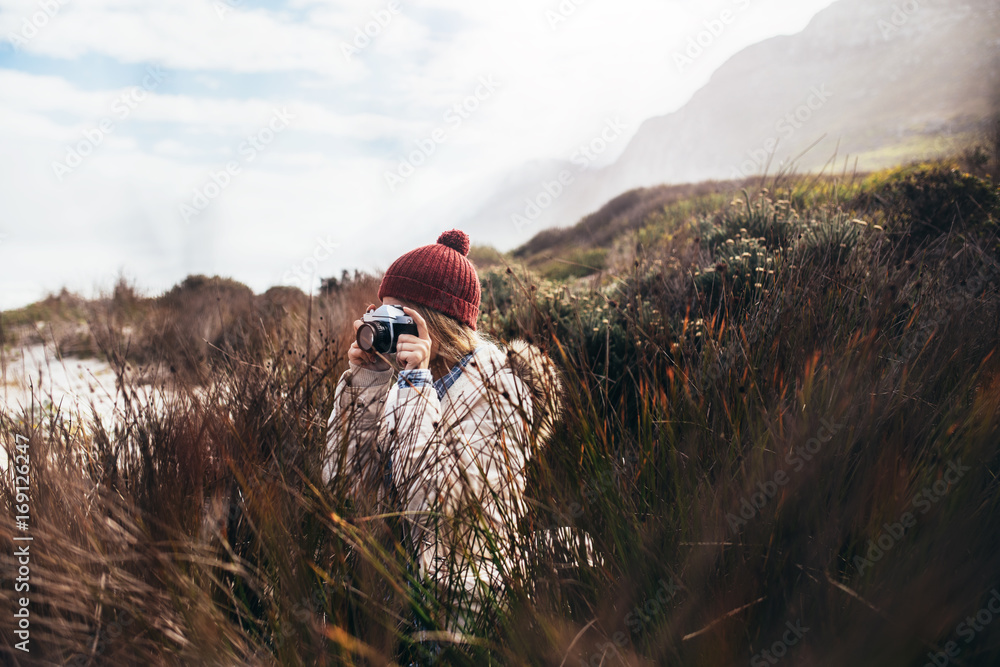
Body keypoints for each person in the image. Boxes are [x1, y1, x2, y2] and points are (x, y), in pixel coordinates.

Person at [321, 229, 563, 641]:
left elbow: (430, 507)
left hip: (460, 607)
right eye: (381, 314)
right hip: (395, 596)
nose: (384, 329)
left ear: (433, 322)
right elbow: (345, 489)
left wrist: (415, 386)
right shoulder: (403, 379)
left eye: (397, 317)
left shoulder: (496, 392)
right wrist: (366, 383)